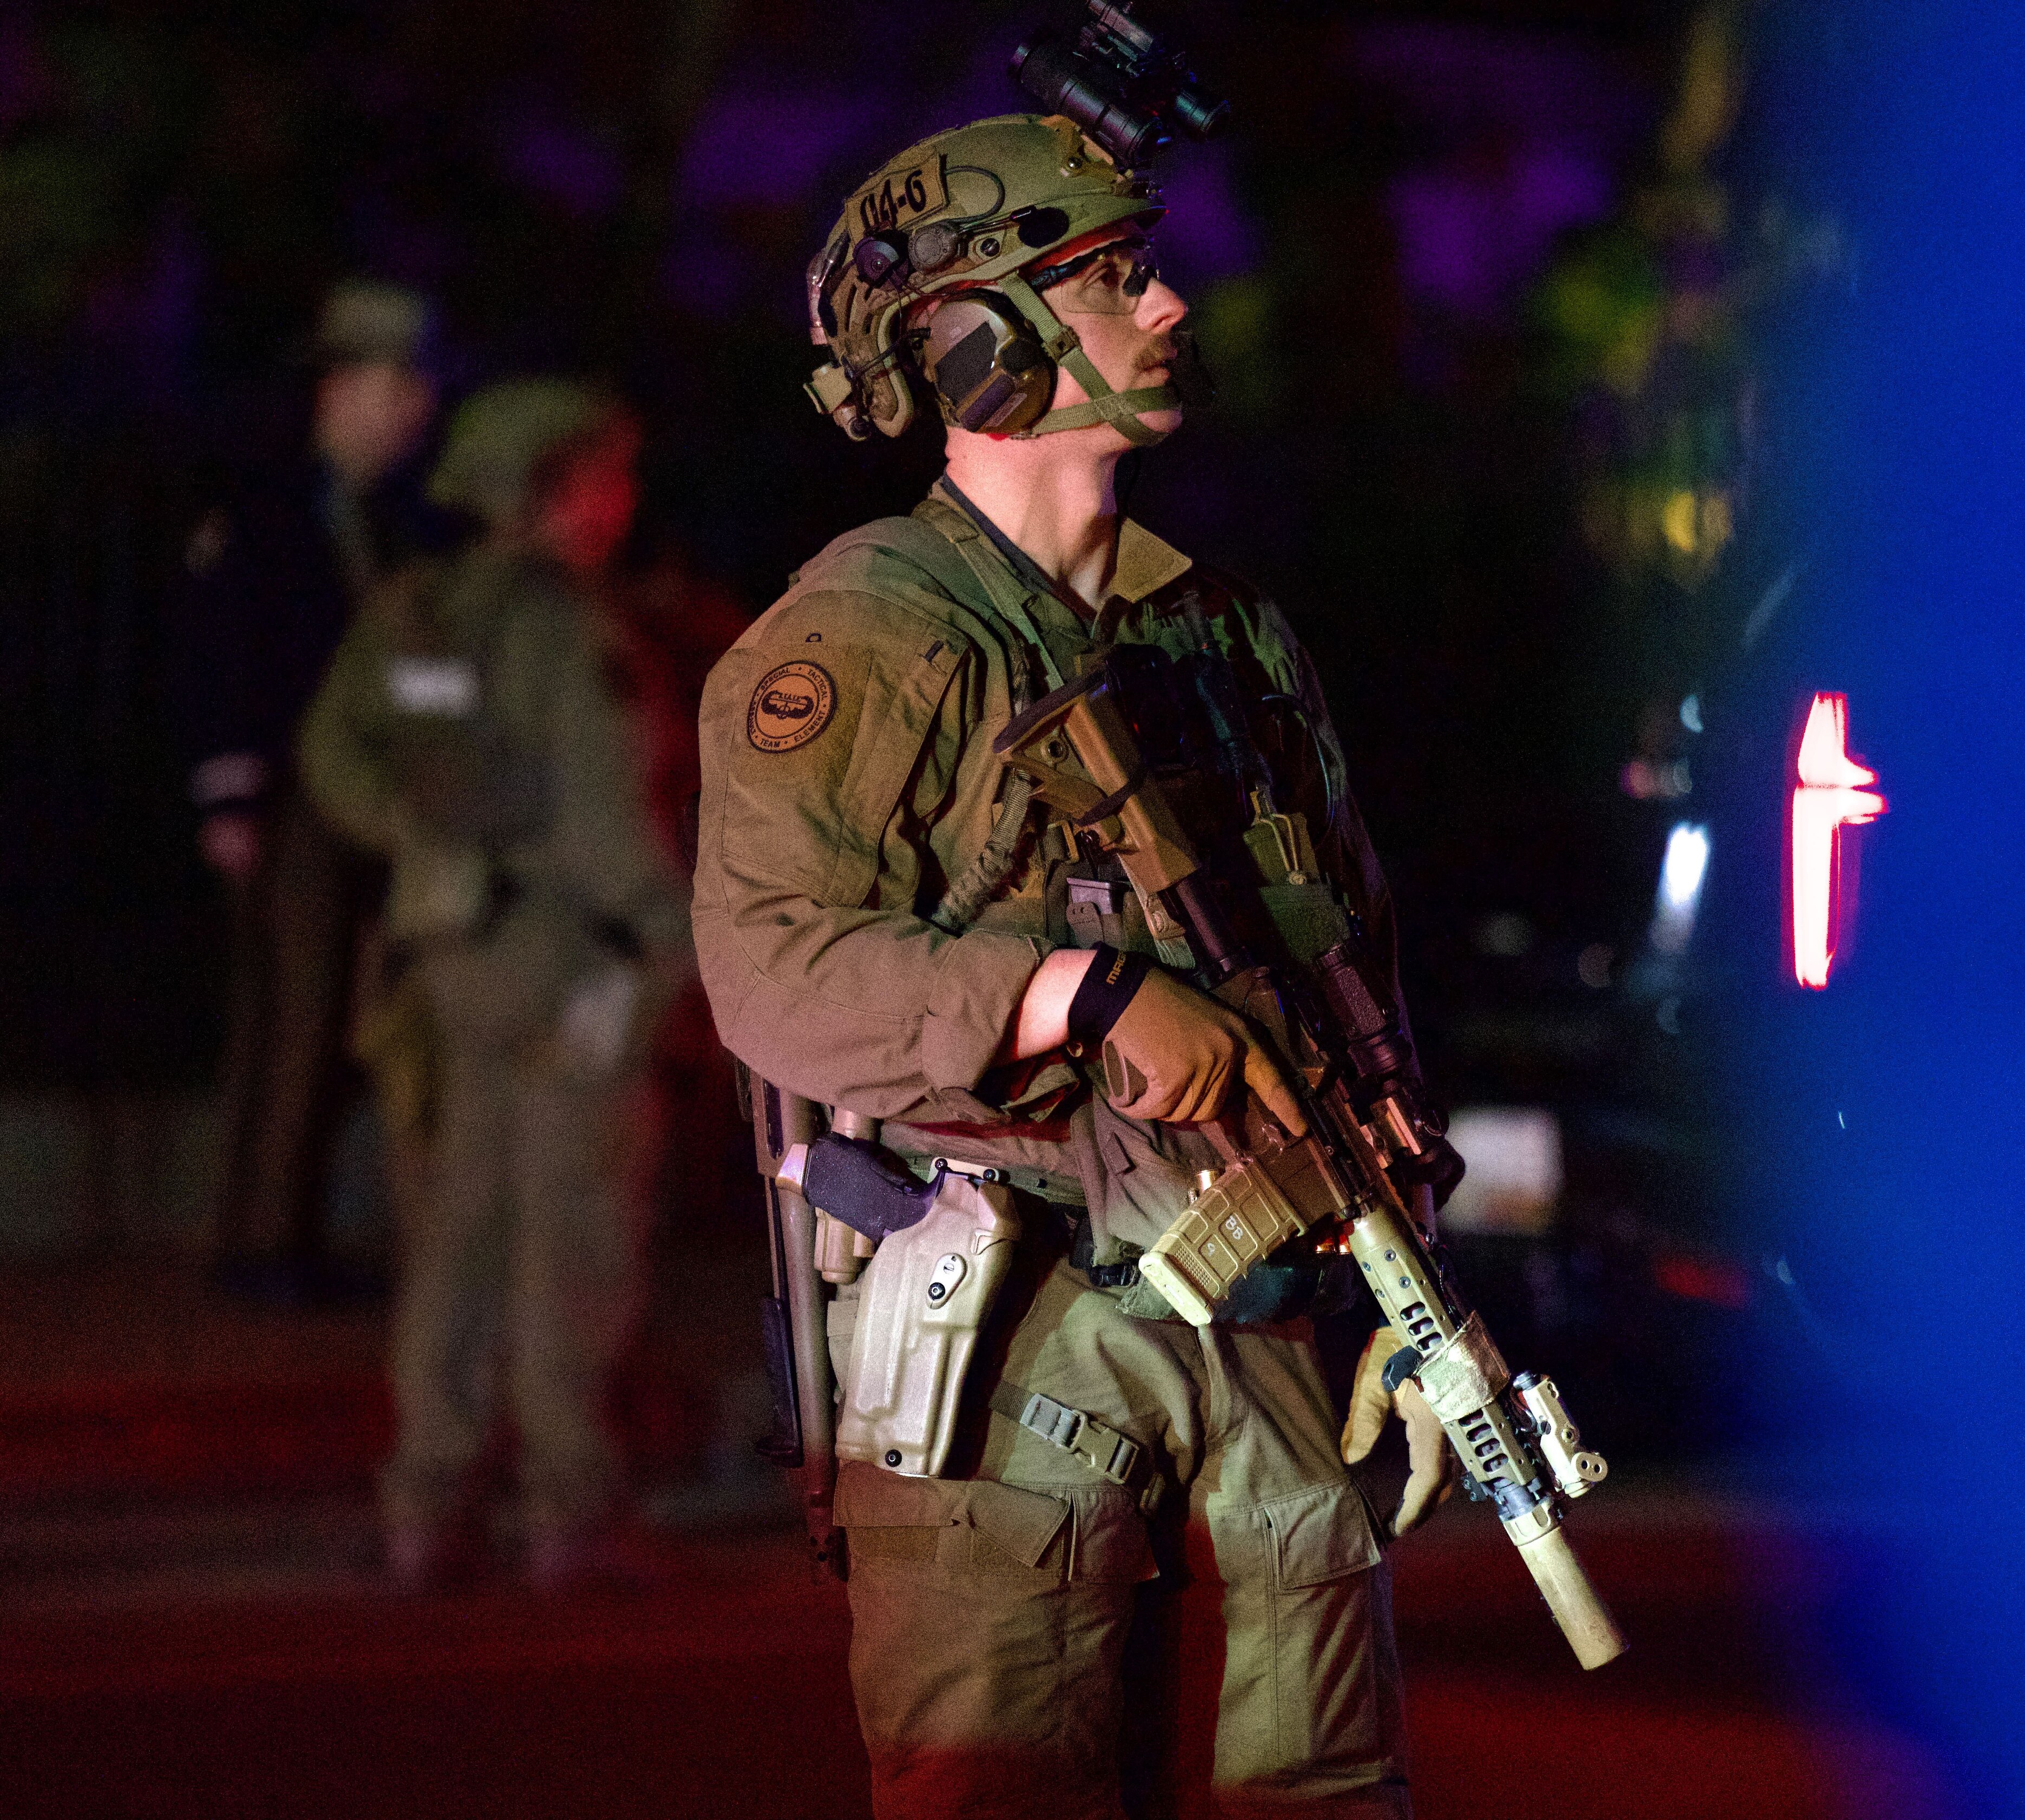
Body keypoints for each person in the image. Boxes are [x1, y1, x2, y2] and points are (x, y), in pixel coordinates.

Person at [694, 113, 1456, 1819]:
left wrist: (1404, 1251)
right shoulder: (871, 637)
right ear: (984, 342)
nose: (1170, 304)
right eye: (1111, 278)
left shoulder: (1219, 632)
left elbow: (1343, 953)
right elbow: (772, 968)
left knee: (1327, 1783)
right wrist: (1075, 995)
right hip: (1003, 1331)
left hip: (1260, 1303)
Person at [298, 379, 692, 1590]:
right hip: (575, 964)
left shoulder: (417, 617)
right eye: (608, 475)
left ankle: (427, 1501)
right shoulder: (571, 631)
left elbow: (334, 756)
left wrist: (431, 843)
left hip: (447, 962)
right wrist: (676, 941)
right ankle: (569, 1510)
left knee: (456, 1242)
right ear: (561, 488)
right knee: (571, 1238)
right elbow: (605, 815)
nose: (621, 499)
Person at [175, 279, 449, 1302]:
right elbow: (221, 655)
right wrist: (230, 793)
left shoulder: (394, 521)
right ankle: (261, 1245)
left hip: (370, 798)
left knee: (342, 1017)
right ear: (340, 389)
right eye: (395, 383)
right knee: (292, 1016)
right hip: (295, 796)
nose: (413, 406)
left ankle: (286, 1237)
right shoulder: (271, 509)